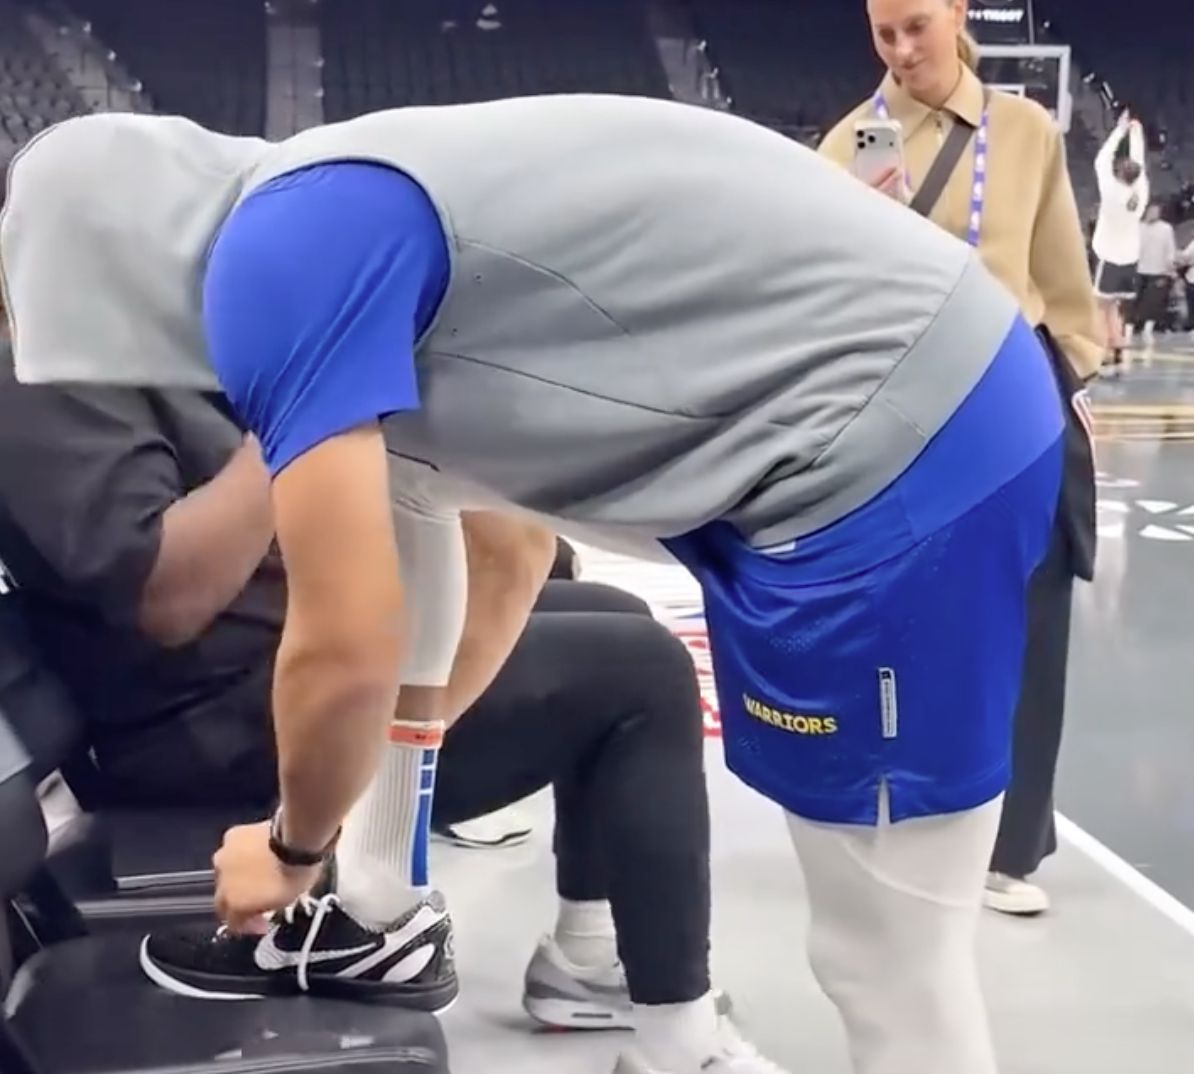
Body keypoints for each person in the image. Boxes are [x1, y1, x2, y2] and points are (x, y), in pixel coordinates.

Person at [1, 92, 1068, 1074]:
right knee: (879, 948)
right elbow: (475, 537)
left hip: (904, 446)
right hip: (895, 398)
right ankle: (385, 908)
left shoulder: (275, 266)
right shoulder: (337, 207)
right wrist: (368, 874)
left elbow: (347, 641)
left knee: (885, 964)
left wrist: (293, 847)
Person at [0, 322, 737, 1062]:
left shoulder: (148, 344)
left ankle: (589, 952)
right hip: (206, 723)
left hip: (254, 661)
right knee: (641, 671)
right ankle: (680, 1038)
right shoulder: (42, 375)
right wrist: (297, 419)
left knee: (611, 613)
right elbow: (167, 597)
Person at [817, 0, 1103, 919]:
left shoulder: (1024, 131)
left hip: (1016, 409)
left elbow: (1064, 283)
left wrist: (1061, 372)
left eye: (917, 27)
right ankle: (905, 821)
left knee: (1032, 624)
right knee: (903, 629)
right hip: (905, 421)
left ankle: (1011, 848)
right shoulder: (851, 144)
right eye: (884, 34)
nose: (903, 51)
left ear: (956, 13)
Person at [1092, 110, 1149, 371]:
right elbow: (1140, 160)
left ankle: (1107, 347)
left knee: (1100, 304)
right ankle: (1118, 343)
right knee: (1113, 303)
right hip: (1130, 257)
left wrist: (1120, 130)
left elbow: (1101, 160)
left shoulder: (1112, 191)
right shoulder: (1141, 190)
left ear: (1118, 174)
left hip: (1109, 255)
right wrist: (1136, 134)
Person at [1129, 203, 1176, 350]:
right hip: (1138, 269)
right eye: (1151, 211)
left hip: (1158, 270)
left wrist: (1170, 269)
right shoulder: (1137, 227)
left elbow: (1170, 250)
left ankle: (1147, 330)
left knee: (1153, 302)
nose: (1153, 213)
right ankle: (1129, 329)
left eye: (1156, 211)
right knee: (1133, 300)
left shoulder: (1166, 229)